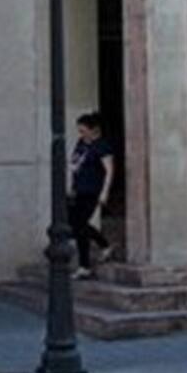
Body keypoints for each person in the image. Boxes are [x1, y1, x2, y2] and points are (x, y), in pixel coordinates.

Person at [69, 112, 115, 279]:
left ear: (93, 130)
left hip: (92, 190)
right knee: (75, 224)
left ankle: (85, 265)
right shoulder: (81, 143)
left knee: (80, 225)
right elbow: (76, 164)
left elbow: (109, 170)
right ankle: (104, 246)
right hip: (79, 189)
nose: (81, 134)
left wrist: (104, 192)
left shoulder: (101, 146)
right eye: (79, 130)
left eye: (83, 130)